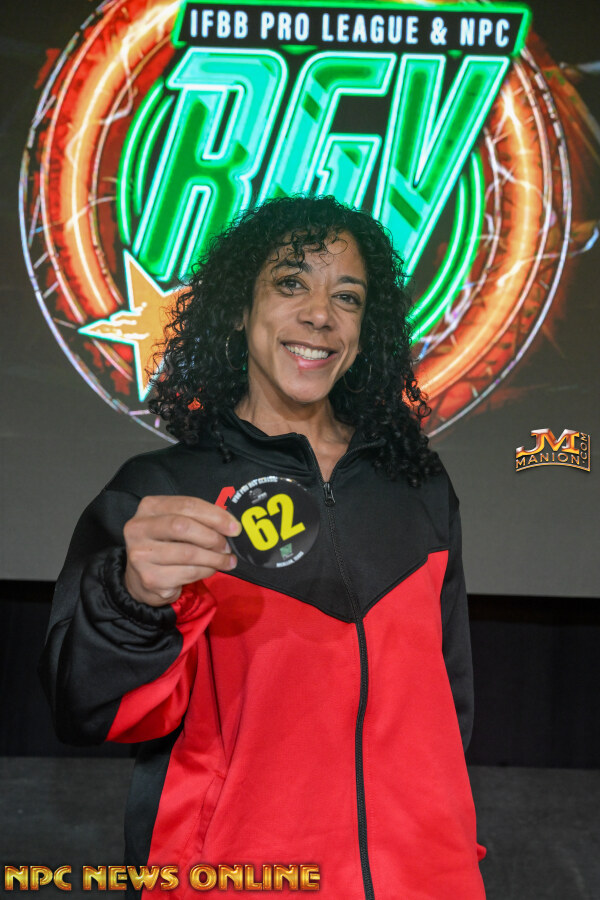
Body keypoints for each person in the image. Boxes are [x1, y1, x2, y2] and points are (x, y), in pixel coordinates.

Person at [40, 195, 486, 898]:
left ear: (365, 331)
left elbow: (451, 711)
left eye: (347, 297)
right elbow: (87, 708)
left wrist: (445, 849)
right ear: (239, 311)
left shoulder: (418, 485)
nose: (320, 314)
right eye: (290, 283)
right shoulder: (161, 493)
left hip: (426, 879)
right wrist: (132, 597)